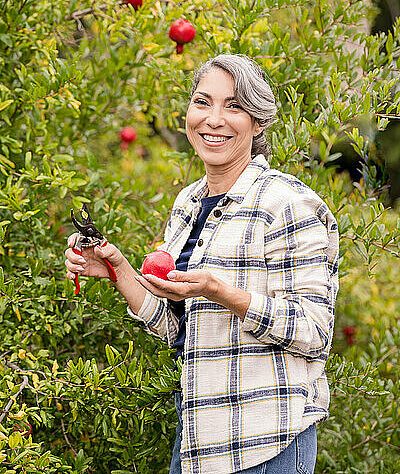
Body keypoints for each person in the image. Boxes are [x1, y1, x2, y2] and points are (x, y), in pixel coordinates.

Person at [65, 54, 339, 474]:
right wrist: (118, 269)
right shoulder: (189, 203)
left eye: (234, 106)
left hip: (265, 444)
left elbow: (314, 331)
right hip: (198, 443)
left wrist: (220, 291)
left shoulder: (288, 203)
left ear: (258, 122)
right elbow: (178, 326)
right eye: (202, 102)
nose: (213, 119)